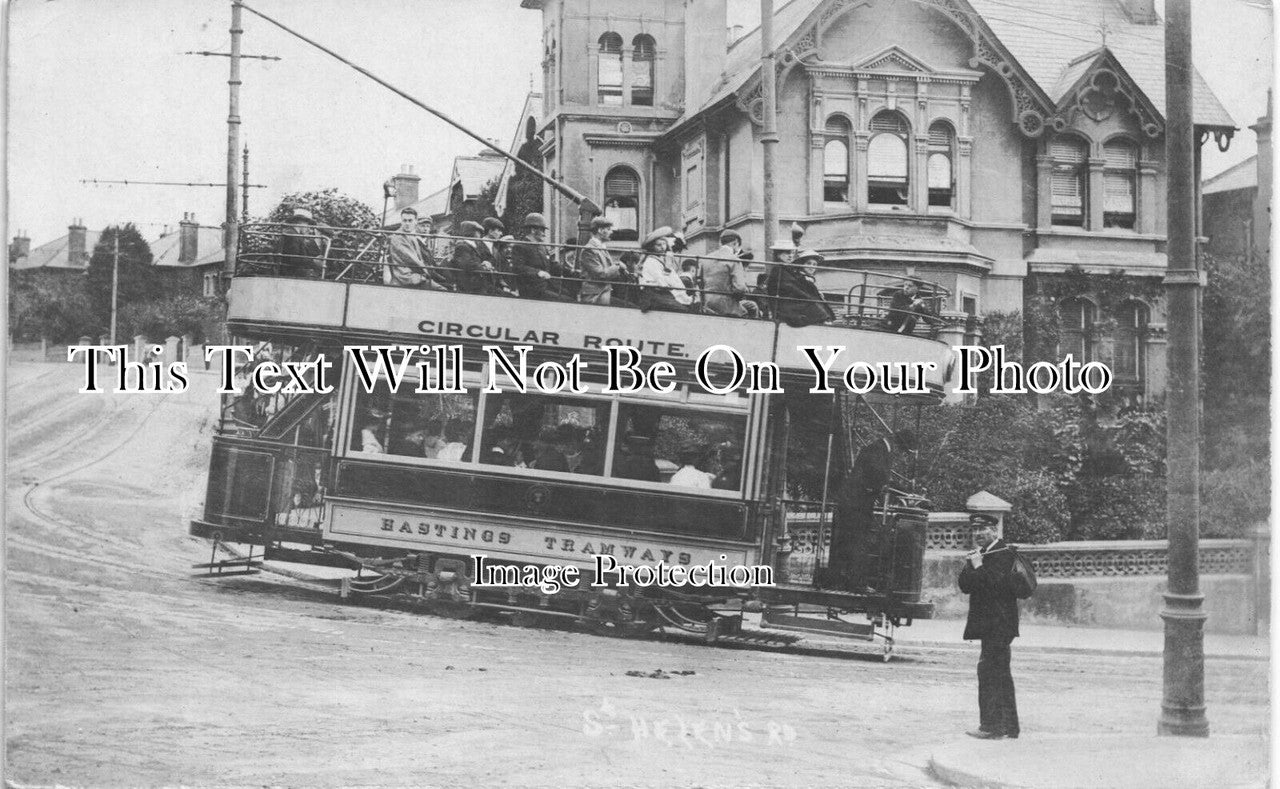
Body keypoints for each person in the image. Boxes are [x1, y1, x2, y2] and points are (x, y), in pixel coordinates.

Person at [821, 429, 916, 591]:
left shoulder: (880, 450)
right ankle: (856, 584)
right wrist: (906, 492)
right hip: (855, 505)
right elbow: (880, 477)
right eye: (902, 450)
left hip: (856, 504)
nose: (900, 453)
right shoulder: (876, 450)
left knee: (851, 543)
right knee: (859, 543)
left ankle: (844, 581)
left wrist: (902, 491)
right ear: (897, 444)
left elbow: (880, 479)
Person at [959, 513, 1021, 740]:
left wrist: (977, 566)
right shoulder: (983, 554)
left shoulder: (1003, 554)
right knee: (1000, 672)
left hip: (999, 623)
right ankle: (1008, 727)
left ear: (995, 531)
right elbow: (965, 585)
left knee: (989, 672)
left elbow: (992, 584)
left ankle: (991, 726)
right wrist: (973, 565)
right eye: (975, 530)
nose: (978, 534)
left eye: (983, 530)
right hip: (990, 624)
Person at [765, 248, 836, 327]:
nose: (811, 267)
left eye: (814, 264)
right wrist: (823, 316)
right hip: (794, 312)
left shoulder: (801, 278)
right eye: (808, 263)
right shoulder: (797, 278)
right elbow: (801, 296)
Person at [699, 229, 759, 317]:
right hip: (727, 305)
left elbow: (701, 283)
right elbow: (740, 288)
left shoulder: (706, 259)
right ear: (735, 243)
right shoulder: (734, 259)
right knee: (752, 309)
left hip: (708, 303)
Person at [511, 213, 568, 301]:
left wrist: (571, 271)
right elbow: (518, 267)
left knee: (570, 294)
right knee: (566, 300)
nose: (544, 234)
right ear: (533, 230)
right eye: (542, 230)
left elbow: (553, 265)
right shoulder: (520, 246)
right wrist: (538, 272)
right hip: (532, 290)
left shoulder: (542, 247)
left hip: (546, 286)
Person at [637, 227, 694, 312]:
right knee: (684, 310)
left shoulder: (661, 260)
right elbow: (662, 283)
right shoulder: (651, 261)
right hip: (655, 295)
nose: (662, 247)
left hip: (664, 294)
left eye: (664, 244)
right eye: (658, 245)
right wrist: (667, 268)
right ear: (652, 247)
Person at [577, 217, 631, 306]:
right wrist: (617, 265)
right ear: (600, 230)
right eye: (609, 229)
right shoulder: (589, 250)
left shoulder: (601, 246)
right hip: (595, 295)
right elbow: (601, 274)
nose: (611, 232)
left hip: (604, 291)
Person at [385, 207, 442, 289]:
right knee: (441, 290)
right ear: (401, 221)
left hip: (413, 275)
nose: (407, 223)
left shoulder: (410, 235)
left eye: (410, 220)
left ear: (415, 222)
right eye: (404, 220)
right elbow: (412, 260)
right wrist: (427, 275)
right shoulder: (398, 237)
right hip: (406, 277)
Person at [275, 206, 329, 278]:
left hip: (292, 271)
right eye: (308, 224)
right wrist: (313, 261)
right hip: (289, 273)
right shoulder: (292, 235)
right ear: (300, 222)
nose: (308, 228)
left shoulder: (293, 234)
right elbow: (293, 259)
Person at [451, 220, 501, 295]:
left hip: (479, 283)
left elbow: (484, 258)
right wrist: (484, 267)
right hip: (471, 285)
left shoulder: (474, 246)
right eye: (478, 232)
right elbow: (468, 264)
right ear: (471, 232)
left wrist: (487, 263)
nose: (480, 235)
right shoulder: (462, 246)